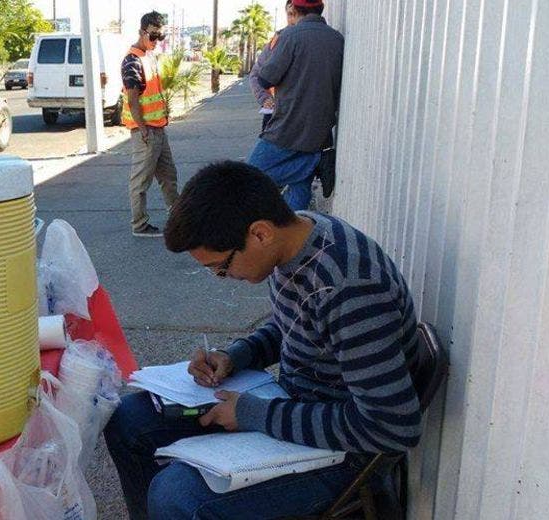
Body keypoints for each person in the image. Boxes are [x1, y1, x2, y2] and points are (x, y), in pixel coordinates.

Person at [103, 161, 424, 520]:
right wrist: (237, 355)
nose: (222, 278)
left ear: (259, 234)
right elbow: (300, 326)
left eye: (221, 266)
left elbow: (392, 427)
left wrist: (254, 414)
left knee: (176, 494)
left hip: (346, 450)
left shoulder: (350, 288)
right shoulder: (296, 235)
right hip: (295, 404)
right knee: (128, 419)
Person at [248, 0, 343, 210]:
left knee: (250, 177)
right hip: (320, 132)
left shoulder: (290, 36)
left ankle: (313, 163)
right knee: (300, 190)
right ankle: (292, 239)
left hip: (288, 127)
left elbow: (265, 78)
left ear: (293, 9)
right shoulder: (336, 39)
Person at [121, 11, 179, 238]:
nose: (156, 41)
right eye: (153, 36)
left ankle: (177, 217)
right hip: (146, 131)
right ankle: (140, 224)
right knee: (140, 181)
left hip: (158, 128)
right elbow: (133, 99)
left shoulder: (148, 56)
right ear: (141, 32)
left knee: (168, 176)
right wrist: (143, 129)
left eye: (160, 36)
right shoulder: (132, 60)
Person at [249, 1, 300, 132]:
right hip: (274, 112)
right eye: (290, 14)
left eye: (296, 14)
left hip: (300, 114)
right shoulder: (277, 39)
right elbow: (255, 74)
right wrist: (264, 98)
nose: (293, 20)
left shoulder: (312, 40)